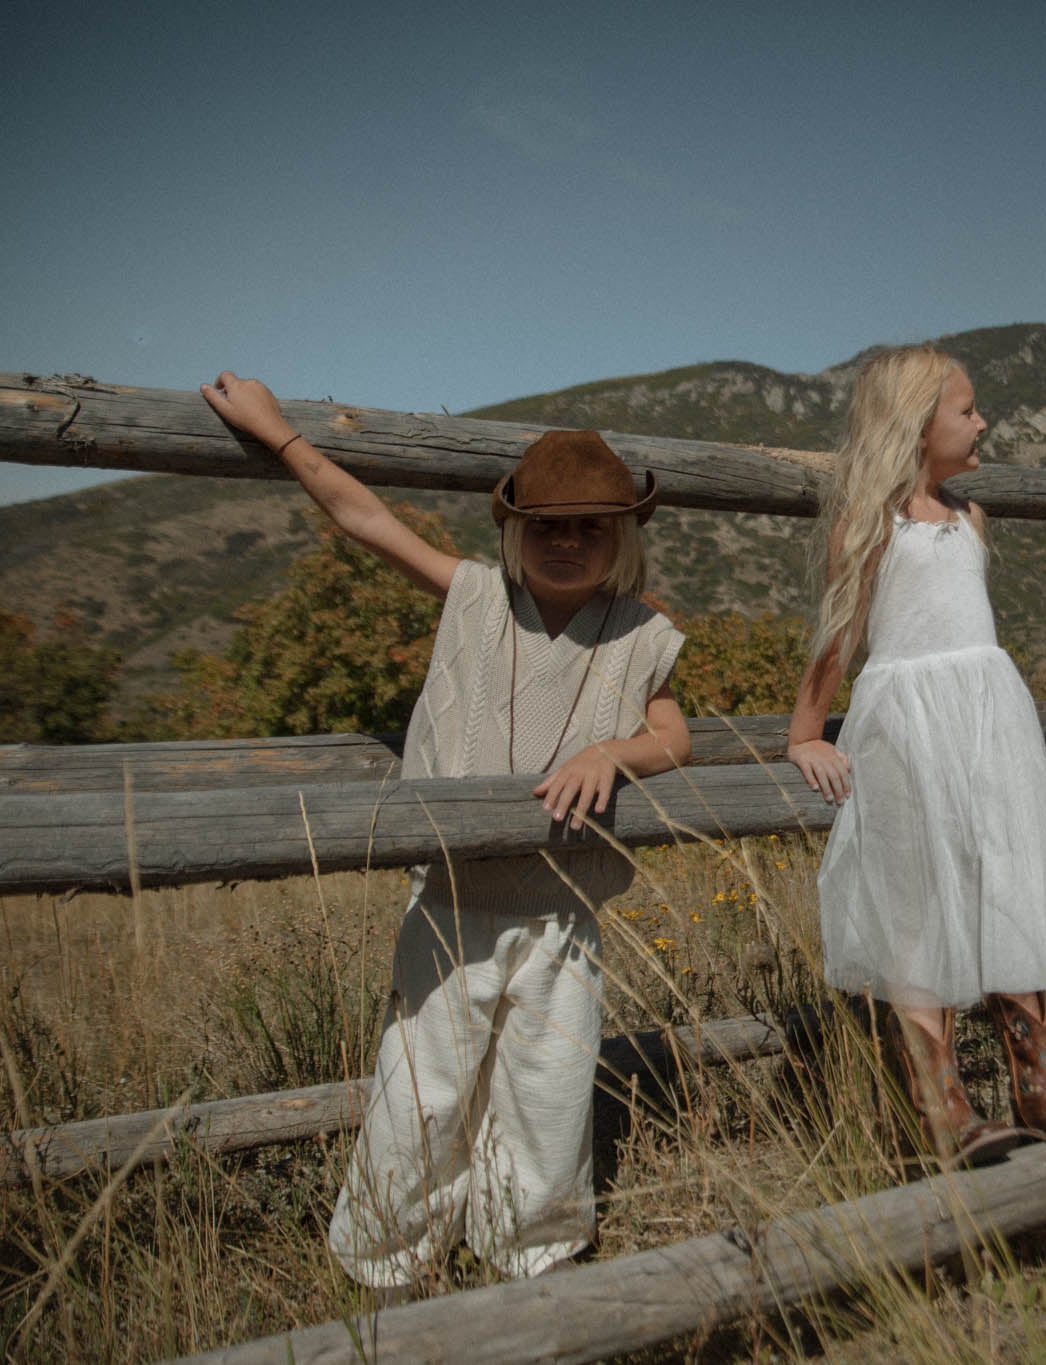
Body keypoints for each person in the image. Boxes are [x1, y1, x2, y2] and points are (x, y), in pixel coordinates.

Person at [200, 372, 690, 1292]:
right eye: (547, 524)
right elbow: (368, 521)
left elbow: (675, 736)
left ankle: (530, 1248)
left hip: (562, 913)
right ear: (513, 529)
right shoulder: (473, 595)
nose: (569, 540)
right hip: (452, 902)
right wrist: (277, 434)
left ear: (623, 533)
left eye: (590, 525)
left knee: (546, 1093)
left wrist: (613, 753)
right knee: (421, 1086)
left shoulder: (640, 630)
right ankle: (390, 1253)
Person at [784, 346, 1046, 1165]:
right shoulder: (872, 521)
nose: (982, 423)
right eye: (967, 411)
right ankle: (940, 1102)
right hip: (903, 722)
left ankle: (1038, 1081)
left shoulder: (971, 519)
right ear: (915, 425)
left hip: (989, 717)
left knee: (1009, 877)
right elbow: (840, 636)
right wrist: (804, 732)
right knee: (913, 900)